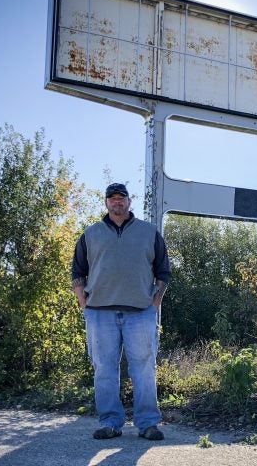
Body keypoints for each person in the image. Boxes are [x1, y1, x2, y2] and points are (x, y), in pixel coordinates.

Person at [71, 182, 170, 440]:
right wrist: (84, 303)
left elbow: (163, 271)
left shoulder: (149, 232)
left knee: (144, 368)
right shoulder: (90, 234)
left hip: (140, 312)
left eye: (121, 198)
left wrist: (155, 302)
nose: (117, 202)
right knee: (104, 368)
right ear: (106, 203)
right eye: (112, 198)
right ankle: (110, 423)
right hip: (99, 313)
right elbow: (77, 272)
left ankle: (148, 424)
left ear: (129, 201)